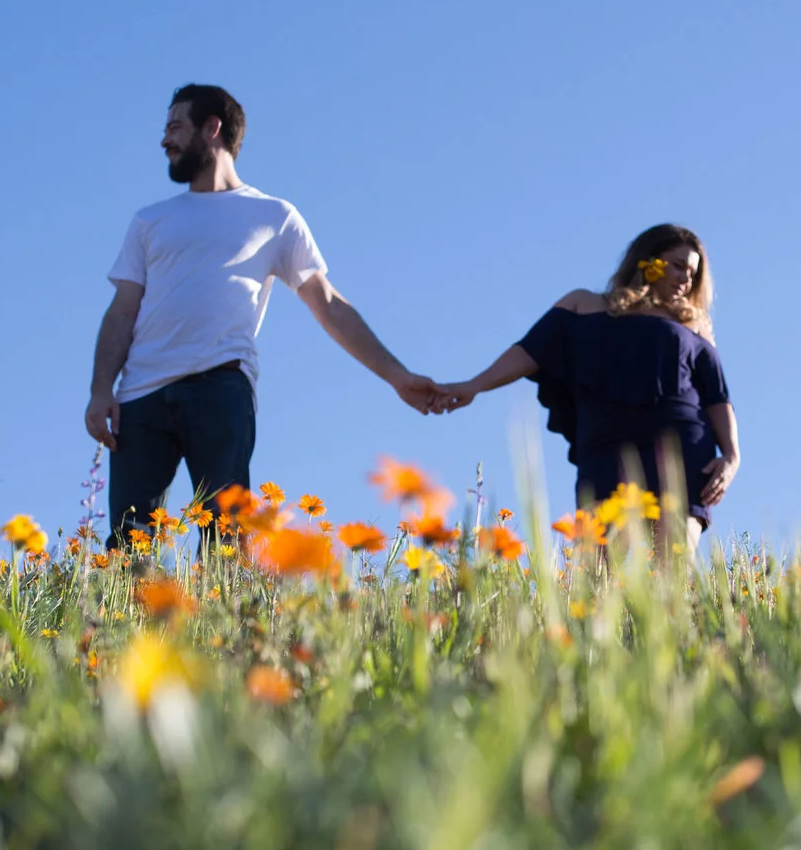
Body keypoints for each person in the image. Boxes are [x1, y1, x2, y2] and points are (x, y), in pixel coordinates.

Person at [84, 84, 453, 538]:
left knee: (227, 540)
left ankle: (222, 611)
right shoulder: (150, 221)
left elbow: (330, 304)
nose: (165, 140)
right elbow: (121, 312)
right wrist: (102, 388)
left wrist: (397, 375)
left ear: (212, 128)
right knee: (127, 544)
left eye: (176, 127)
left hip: (220, 387)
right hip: (139, 397)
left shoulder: (274, 216)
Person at [441, 224, 740, 547]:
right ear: (647, 260)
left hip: (678, 448)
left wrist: (732, 456)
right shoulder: (582, 304)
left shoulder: (692, 324)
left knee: (672, 568)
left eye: (693, 273)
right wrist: (473, 385)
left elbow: (717, 397)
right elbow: (530, 351)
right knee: (595, 569)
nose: (686, 279)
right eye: (678, 265)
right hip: (605, 445)